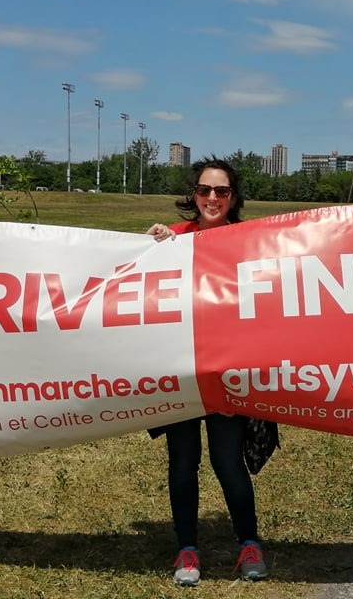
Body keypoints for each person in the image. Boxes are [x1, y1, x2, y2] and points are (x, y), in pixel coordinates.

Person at [146, 157, 269, 587]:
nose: (212, 198)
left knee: (227, 461)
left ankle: (249, 543)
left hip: (226, 373)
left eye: (221, 191)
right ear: (194, 195)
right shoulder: (173, 238)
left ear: (233, 198)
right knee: (183, 462)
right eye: (204, 190)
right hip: (179, 371)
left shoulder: (249, 241)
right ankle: (187, 549)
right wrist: (153, 244)